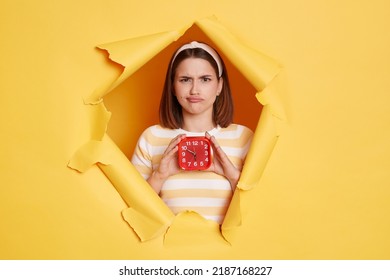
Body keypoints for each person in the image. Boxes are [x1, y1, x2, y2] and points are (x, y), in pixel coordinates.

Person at [131, 41, 253, 224]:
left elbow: (261, 210)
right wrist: (159, 176)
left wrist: (232, 176)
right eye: (185, 80)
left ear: (219, 85)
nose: (194, 90)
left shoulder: (242, 138)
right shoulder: (152, 138)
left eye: (205, 79)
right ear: (173, 86)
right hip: (166, 249)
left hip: (228, 250)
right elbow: (131, 209)